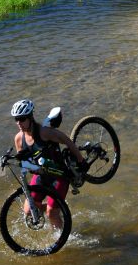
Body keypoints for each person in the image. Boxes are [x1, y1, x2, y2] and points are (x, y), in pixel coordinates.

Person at [10, 98, 88, 229]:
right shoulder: (19, 139)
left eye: (22, 119)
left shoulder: (44, 132)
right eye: (16, 119)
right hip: (41, 174)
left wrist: (81, 160)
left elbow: (67, 141)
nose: (19, 123)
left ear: (30, 117)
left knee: (51, 213)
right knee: (29, 212)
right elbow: (25, 163)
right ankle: (59, 208)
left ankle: (64, 240)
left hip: (59, 175)